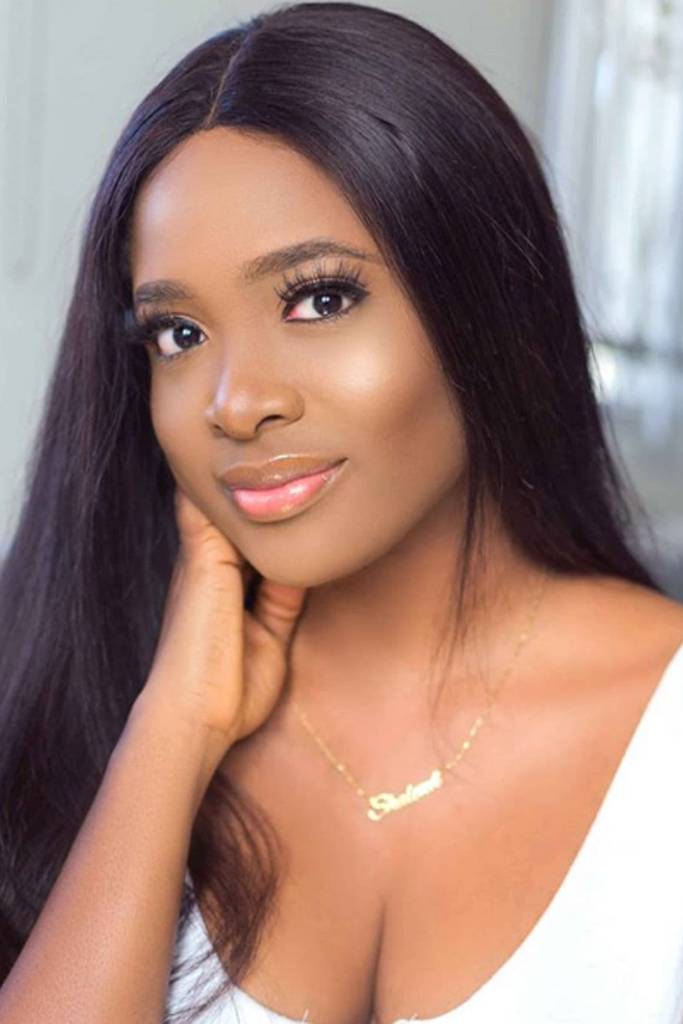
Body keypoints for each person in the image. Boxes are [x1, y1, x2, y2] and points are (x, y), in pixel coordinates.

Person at [1, 2, 682, 1022]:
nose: (235, 403)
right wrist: (172, 732)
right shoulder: (77, 696)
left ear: (489, 302)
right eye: (177, 332)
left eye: (318, 299)